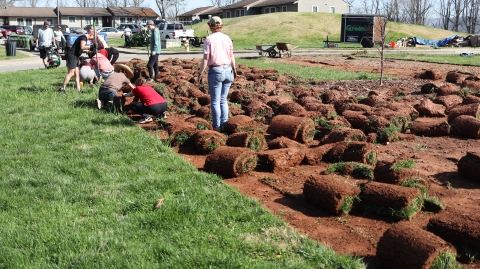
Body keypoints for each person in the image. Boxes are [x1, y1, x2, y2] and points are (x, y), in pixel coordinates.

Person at [197, 16, 236, 132]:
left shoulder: (209, 39)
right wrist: (235, 69)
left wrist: (200, 73)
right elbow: (231, 56)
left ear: (210, 25)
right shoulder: (227, 38)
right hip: (228, 70)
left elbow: (205, 58)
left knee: (215, 101)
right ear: (221, 25)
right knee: (223, 100)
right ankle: (224, 124)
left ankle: (217, 127)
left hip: (216, 71)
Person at [58, 29, 94, 93]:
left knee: (77, 73)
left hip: (76, 56)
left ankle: (78, 89)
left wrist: (91, 50)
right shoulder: (84, 37)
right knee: (71, 73)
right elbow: (82, 47)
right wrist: (91, 47)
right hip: (72, 56)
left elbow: (80, 49)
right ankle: (62, 88)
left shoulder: (83, 38)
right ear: (91, 34)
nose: (93, 39)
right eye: (94, 36)